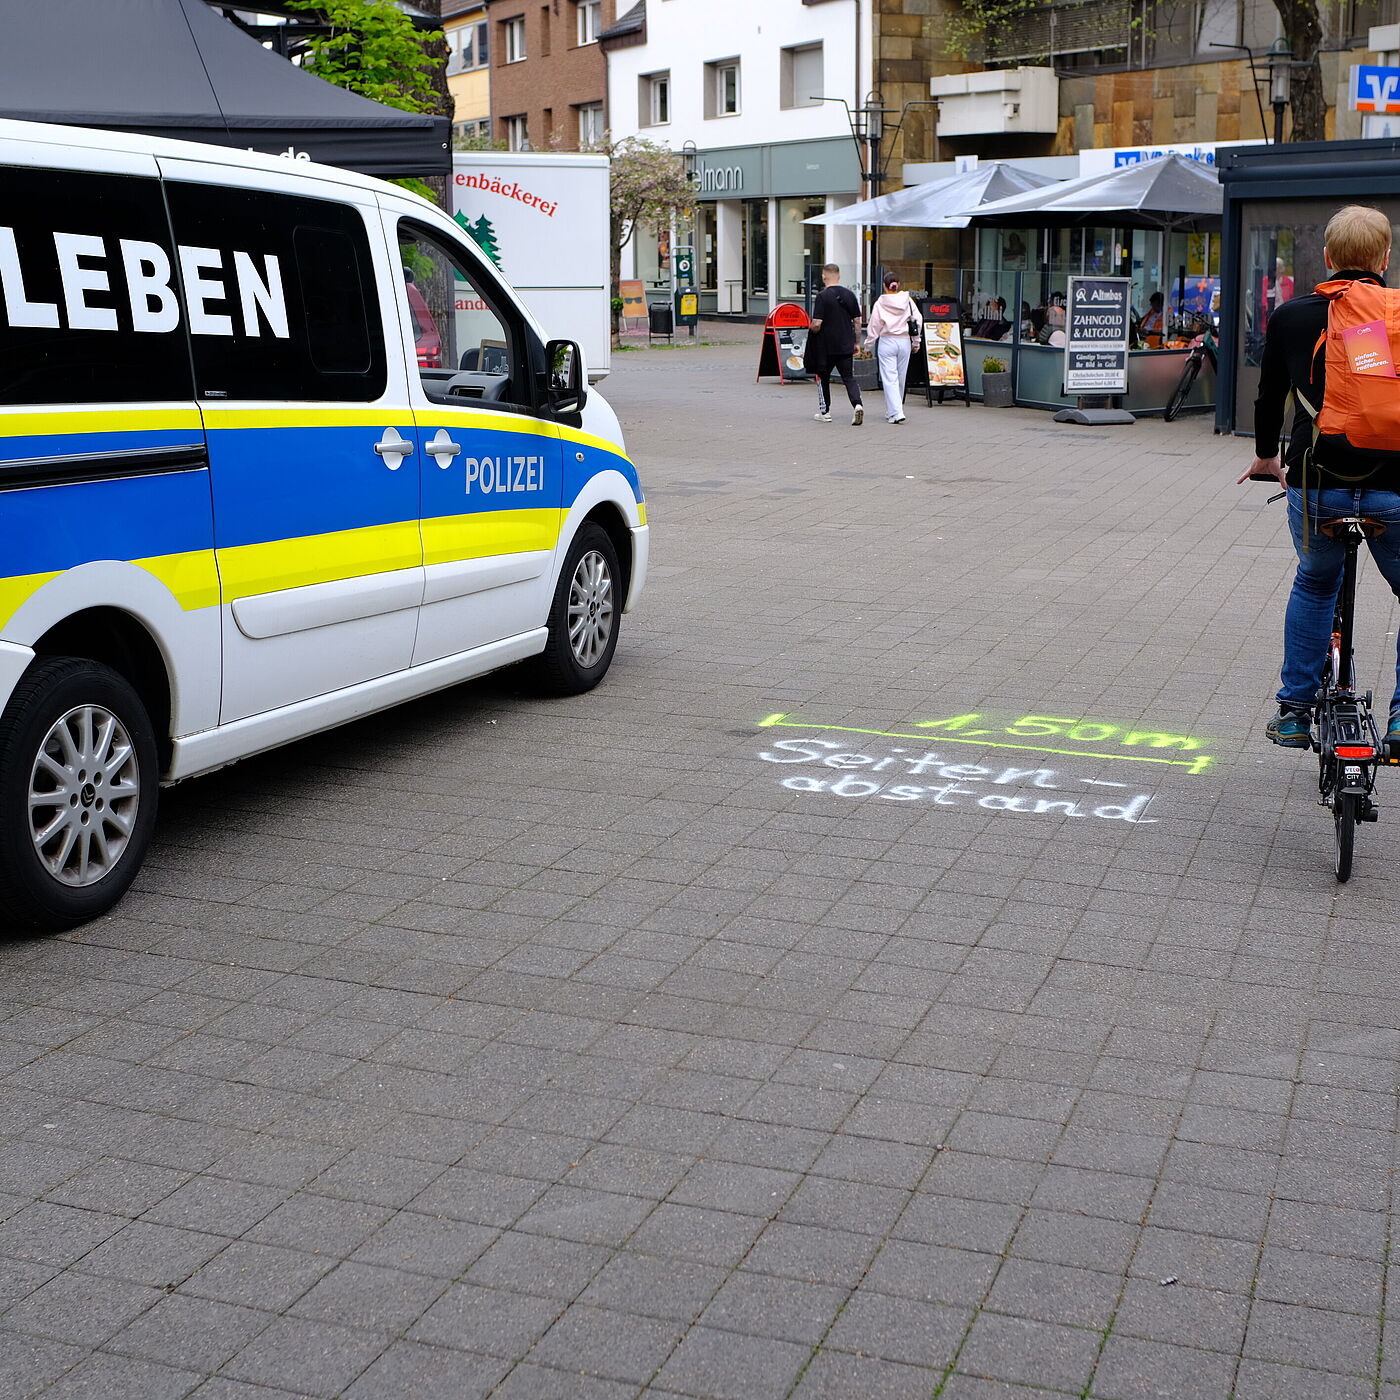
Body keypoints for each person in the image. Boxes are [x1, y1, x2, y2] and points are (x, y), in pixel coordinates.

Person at [1242, 205, 1400, 749]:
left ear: (1328, 257)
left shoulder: (1291, 315)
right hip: (1394, 486)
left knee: (1314, 582)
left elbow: (1268, 400)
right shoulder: (1398, 318)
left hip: (1316, 478)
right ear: (1385, 258)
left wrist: (1267, 457)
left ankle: (1295, 711)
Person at [809, 263, 865, 426]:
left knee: (823, 377)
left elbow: (817, 323)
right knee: (848, 378)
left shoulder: (822, 296)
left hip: (825, 346)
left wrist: (811, 328)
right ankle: (857, 404)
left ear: (823, 276)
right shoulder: (849, 295)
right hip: (845, 343)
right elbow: (857, 321)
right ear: (839, 276)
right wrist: (856, 342)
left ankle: (825, 412)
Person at [864, 275, 923, 424]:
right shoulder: (908, 300)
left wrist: (868, 345)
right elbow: (918, 320)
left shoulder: (880, 303)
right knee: (900, 377)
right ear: (899, 284)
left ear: (884, 285)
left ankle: (896, 412)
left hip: (887, 341)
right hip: (904, 342)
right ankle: (894, 409)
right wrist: (916, 341)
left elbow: (874, 326)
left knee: (890, 378)